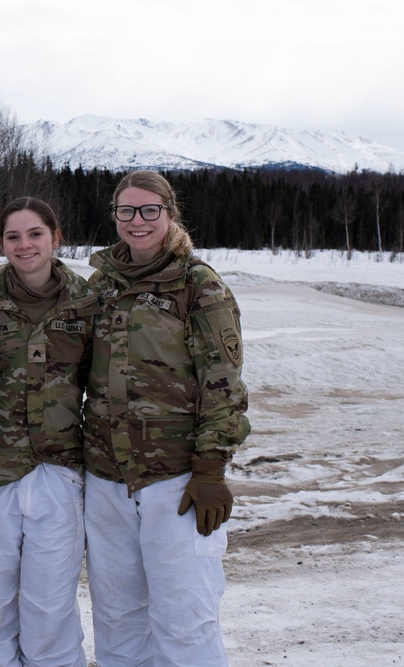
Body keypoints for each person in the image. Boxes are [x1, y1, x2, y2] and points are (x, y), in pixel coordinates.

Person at [83, 170, 251, 666]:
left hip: (175, 483)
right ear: (114, 216)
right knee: (117, 621)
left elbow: (224, 385)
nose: (138, 221)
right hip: (107, 480)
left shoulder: (198, 286)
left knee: (185, 622)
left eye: (149, 210)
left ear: (170, 214)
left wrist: (210, 469)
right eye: (127, 211)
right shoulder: (101, 285)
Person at [0, 197, 98, 667]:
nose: (25, 245)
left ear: (56, 238)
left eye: (35, 234)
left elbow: (102, 382)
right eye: (13, 237)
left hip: (58, 471)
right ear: (0, 243)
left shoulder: (86, 300)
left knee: (49, 605)